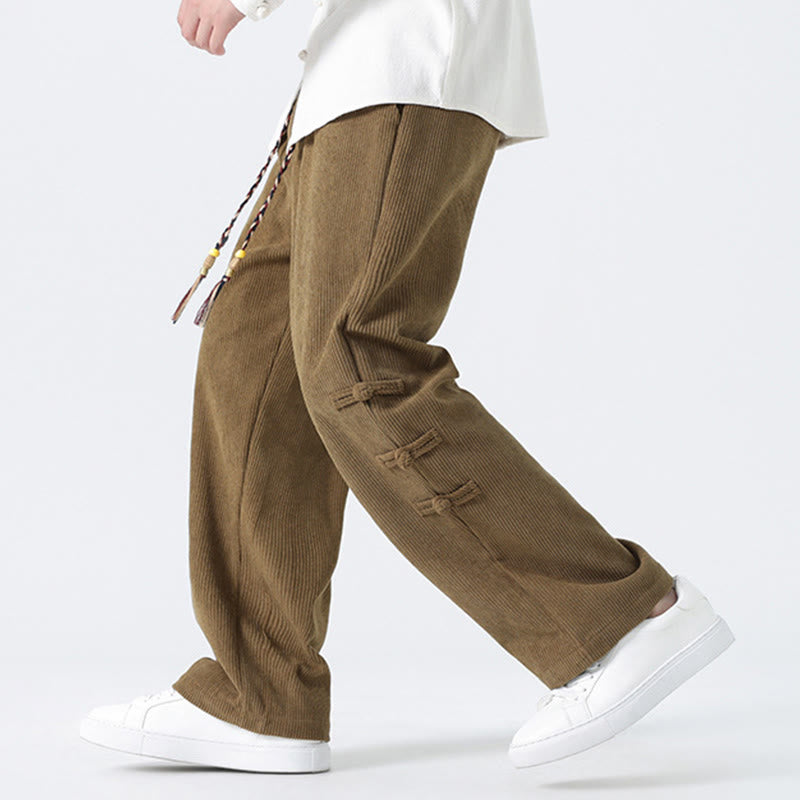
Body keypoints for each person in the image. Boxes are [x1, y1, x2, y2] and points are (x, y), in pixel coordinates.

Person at [78, 0, 734, 773]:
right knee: (256, 351)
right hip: (347, 72)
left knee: (357, 361)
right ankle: (261, 696)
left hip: (406, 53)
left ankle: (622, 616)